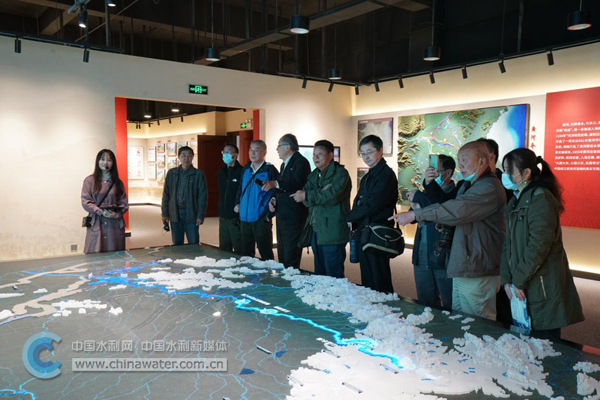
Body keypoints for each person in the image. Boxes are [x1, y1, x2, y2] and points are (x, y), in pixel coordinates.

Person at [391, 141, 506, 320]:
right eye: (460, 160)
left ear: (483, 161)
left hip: (477, 267)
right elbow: (457, 215)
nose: (461, 165)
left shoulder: (488, 187)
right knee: (460, 319)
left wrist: (416, 214)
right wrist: (443, 223)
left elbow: (457, 210)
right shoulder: (468, 185)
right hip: (465, 264)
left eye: (465, 160)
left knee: (476, 323)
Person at [500, 148, 584, 337]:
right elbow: (508, 244)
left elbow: (539, 245)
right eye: (504, 170)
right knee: (525, 338)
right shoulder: (515, 201)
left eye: (509, 171)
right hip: (521, 281)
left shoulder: (541, 198)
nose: (504, 175)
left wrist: (518, 281)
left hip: (541, 282)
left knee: (544, 341)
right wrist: (506, 279)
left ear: (526, 173)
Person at [291, 140, 351, 278]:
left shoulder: (340, 174)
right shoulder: (314, 174)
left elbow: (332, 196)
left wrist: (309, 195)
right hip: (316, 228)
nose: (316, 157)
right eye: (314, 154)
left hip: (333, 230)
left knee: (333, 275)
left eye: (320, 154)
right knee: (319, 274)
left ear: (330, 155)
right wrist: (317, 194)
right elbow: (305, 200)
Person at [348, 135, 398, 294]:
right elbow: (360, 202)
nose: (366, 157)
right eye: (362, 153)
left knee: (379, 277)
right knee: (368, 276)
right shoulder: (369, 175)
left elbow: (373, 204)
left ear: (380, 150)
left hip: (378, 233)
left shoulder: (386, 175)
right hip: (366, 231)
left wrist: (350, 216)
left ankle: (385, 307)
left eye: (369, 152)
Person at [408, 154, 456, 308]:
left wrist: (421, 199)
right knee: (425, 300)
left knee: (449, 301)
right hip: (422, 251)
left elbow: (440, 207)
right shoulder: (426, 193)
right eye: (430, 170)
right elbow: (412, 216)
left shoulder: (456, 194)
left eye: (436, 171)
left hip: (443, 254)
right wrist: (415, 205)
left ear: (448, 173)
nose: (432, 174)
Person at [476, 137, 513, 325]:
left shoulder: (503, 183)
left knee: (501, 300)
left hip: (498, 248)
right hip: (481, 249)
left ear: (490, 157)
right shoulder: (473, 182)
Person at [263, 134, 311, 268]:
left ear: (288, 147)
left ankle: (291, 279)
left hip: (294, 214)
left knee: (291, 253)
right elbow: (281, 187)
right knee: (282, 252)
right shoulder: (284, 164)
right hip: (282, 212)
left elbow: (296, 183)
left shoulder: (301, 162)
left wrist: (275, 183)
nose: (277, 149)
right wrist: (273, 198)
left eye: (279, 146)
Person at [234, 140, 278, 260]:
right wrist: (237, 203)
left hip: (261, 219)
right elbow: (240, 188)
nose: (252, 153)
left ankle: (268, 273)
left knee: (266, 253)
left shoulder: (269, 169)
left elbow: (277, 191)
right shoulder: (246, 168)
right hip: (245, 218)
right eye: (251, 150)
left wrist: (268, 215)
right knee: (246, 254)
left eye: (256, 150)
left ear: (264, 152)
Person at [81, 149, 129, 254]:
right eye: (102, 159)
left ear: (113, 163)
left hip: (114, 222)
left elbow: (124, 203)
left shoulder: (118, 183)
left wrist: (117, 214)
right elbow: (86, 201)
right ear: (98, 161)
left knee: (114, 252)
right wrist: (100, 211)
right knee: (95, 250)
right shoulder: (89, 181)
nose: (105, 162)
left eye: (109, 160)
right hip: (97, 221)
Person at [161, 146, 207, 246]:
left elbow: (202, 197)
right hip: (175, 213)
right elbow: (166, 195)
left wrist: (200, 215)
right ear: (179, 157)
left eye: (189, 156)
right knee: (177, 244)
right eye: (183, 156)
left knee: (193, 243)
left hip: (191, 212)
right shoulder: (172, 173)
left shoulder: (198, 174)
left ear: (193, 157)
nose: (186, 158)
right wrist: (164, 213)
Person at [217, 144, 243, 254]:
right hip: (223, 215)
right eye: (224, 152)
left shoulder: (241, 171)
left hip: (236, 216)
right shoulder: (221, 172)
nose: (225, 154)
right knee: (224, 248)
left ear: (235, 155)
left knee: (239, 247)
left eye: (229, 152)